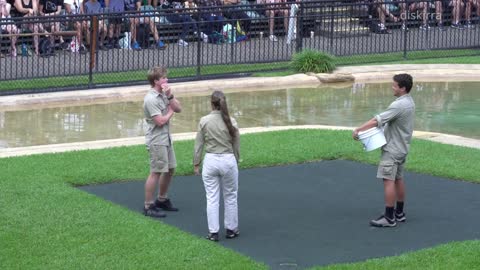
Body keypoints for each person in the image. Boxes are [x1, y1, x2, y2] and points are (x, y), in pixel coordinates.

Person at [352, 73, 415, 227]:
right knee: (398, 179)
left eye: (394, 85)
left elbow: (377, 120)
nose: (392, 87)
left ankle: (389, 218)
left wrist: (358, 129)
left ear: (402, 88)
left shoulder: (398, 105)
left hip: (392, 150)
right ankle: (399, 213)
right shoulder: (409, 102)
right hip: (402, 148)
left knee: (388, 181)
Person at [193, 90, 240, 242]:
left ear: (211, 103)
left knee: (212, 197)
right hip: (228, 160)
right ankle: (231, 229)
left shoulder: (204, 120)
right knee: (230, 196)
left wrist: (196, 163)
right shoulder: (231, 121)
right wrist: (236, 160)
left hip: (211, 160)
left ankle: (213, 232)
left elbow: (198, 144)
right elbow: (236, 144)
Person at [143, 66, 182, 218]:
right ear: (156, 81)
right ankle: (148, 205)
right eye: (164, 77)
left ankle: (162, 199)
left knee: (170, 169)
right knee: (156, 171)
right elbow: (160, 121)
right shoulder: (150, 99)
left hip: (166, 138)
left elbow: (179, 108)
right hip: (157, 140)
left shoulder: (166, 94)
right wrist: (171, 110)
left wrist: (170, 97)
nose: (167, 80)